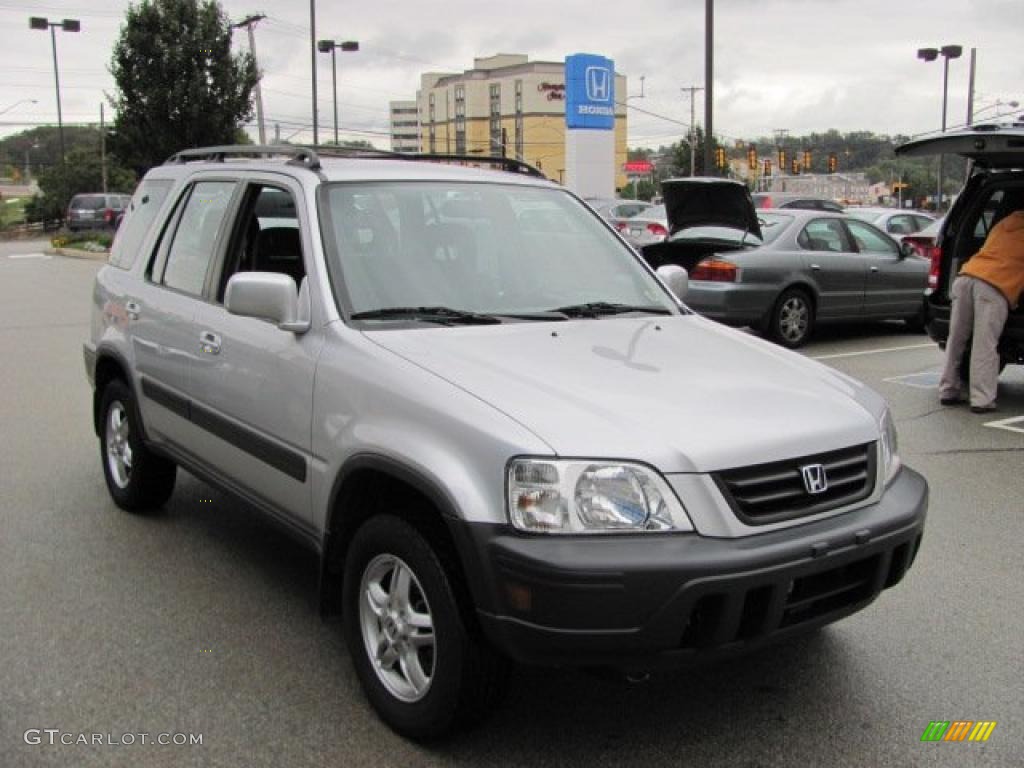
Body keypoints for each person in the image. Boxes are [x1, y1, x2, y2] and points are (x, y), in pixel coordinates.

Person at [939, 208, 1024, 413]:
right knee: (984, 343)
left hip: (966, 277)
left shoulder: (1004, 224)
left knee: (956, 339)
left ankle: (948, 390)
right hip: (993, 286)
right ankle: (982, 399)